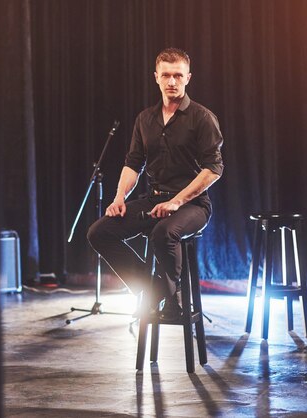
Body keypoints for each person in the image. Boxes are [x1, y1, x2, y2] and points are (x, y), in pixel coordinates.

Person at [87, 47, 224, 318]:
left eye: (177, 75)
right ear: (156, 78)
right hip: (154, 199)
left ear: (188, 78)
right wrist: (119, 199)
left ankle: (174, 298)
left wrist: (177, 201)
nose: (172, 81)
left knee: (164, 233)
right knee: (99, 232)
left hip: (193, 205)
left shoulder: (202, 117)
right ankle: (155, 288)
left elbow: (214, 169)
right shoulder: (145, 119)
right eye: (166, 75)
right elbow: (132, 163)